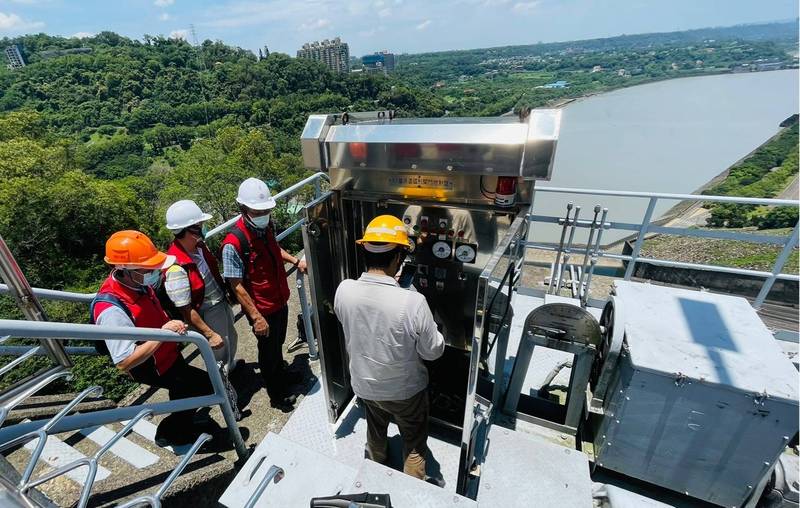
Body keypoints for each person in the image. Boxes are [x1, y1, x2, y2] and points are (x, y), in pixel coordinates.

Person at [333, 215, 445, 480]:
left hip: (364, 385)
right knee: (414, 443)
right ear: (398, 258)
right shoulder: (413, 301)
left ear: (364, 250)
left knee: (376, 425)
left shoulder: (344, 290)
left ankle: (374, 468)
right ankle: (409, 488)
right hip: (405, 392)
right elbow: (433, 351)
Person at [91, 230, 216, 447]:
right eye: (147, 268)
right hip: (153, 365)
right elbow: (124, 361)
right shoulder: (110, 309)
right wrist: (164, 334)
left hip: (167, 355)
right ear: (124, 269)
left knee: (186, 390)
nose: (154, 271)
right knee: (202, 385)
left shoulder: (136, 283)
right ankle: (172, 433)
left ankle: (180, 426)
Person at [221, 177, 306, 411]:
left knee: (277, 344)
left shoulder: (264, 227)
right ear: (243, 209)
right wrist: (256, 317)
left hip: (279, 299)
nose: (264, 213)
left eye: (266, 209)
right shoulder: (234, 243)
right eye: (258, 210)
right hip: (262, 308)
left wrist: (295, 260)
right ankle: (276, 395)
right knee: (267, 354)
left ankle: (283, 375)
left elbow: (274, 248)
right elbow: (236, 285)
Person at [163, 199, 239, 374]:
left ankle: (232, 370)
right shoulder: (176, 268)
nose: (204, 227)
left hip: (220, 303)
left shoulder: (199, 247)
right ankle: (225, 391)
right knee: (217, 352)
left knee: (230, 340)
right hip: (207, 313)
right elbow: (185, 309)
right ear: (191, 230)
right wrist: (209, 334)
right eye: (200, 224)